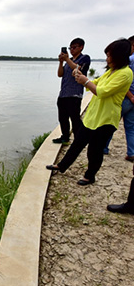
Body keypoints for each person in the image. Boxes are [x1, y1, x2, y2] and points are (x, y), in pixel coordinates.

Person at [46, 38, 134, 185]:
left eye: (109, 56)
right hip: (93, 116)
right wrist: (82, 78)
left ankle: (89, 176)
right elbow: (96, 83)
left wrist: (85, 81)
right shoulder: (111, 71)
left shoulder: (125, 74)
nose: (107, 59)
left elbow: (102, 91)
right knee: (77, 143)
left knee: (94, 150)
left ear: (118, 56)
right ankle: (61, 166)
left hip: (106, 119)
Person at [52, 38, 91, 145]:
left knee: (75, 119)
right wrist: (61, 63)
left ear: (81, 47)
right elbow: (60, 74)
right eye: (70, 48)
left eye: (74, 47)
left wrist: (67, 60)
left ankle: (79, 139)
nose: (72, 50)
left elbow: (78, 70)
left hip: (75, 94)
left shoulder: (85, 58)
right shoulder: (68, 62)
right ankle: (65, 137)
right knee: (62, 118)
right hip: (63, 94)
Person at [103, 35, 134, 159]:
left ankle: (103, 147)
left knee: (110, 124)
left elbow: (123, 83)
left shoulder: (128, 62)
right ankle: (131, 152)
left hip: (126, 98)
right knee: (131, 127)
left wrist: (131, 96)